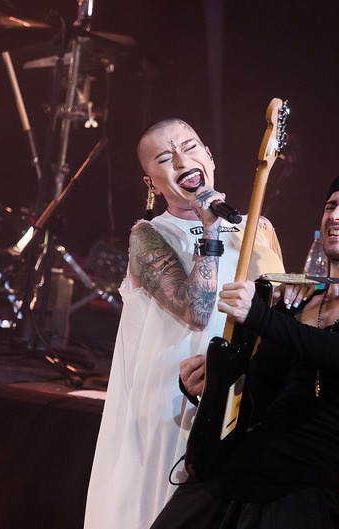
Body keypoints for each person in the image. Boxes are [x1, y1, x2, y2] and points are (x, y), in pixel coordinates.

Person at [149, 168, 339, 529]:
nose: (336, 215)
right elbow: (257, 397)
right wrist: (210, 385)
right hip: (240, 468)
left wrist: (260, 317)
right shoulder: (298, 301)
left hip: (307, 484)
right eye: (330, 205)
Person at [83, 118, 289, 529]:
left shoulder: (257, 229)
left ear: (208, 157)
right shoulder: (148, 236)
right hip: (170, 405)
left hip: (233, 401)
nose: (181, 161)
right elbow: (195, 311)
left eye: (190, 147)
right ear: (152, 183)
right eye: (165, 158)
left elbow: (280, 316)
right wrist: (210, 232)